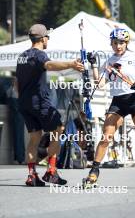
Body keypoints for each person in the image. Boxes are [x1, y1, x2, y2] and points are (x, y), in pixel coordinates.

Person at [84, 28, 135, 186]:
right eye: (115, 43)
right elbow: (100, 84)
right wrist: (94, 65)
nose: (118, 46)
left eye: (121, 43)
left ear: (126, 43)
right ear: (111, 43)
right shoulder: (109, 61)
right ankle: (94, 172)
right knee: (106, 136)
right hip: (118, 102)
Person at [16, 24, 84, 186]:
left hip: (24, 103)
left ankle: (32, 176)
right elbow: (50, 65)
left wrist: (23, 99)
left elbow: (16, 82)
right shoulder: (40, 55)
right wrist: (71, 65)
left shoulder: (22, 57)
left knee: (34, 138)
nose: (48, 40)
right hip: (40, 102)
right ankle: (51, 171)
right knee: (59, 130)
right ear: (43, 38)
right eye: (48, 37)